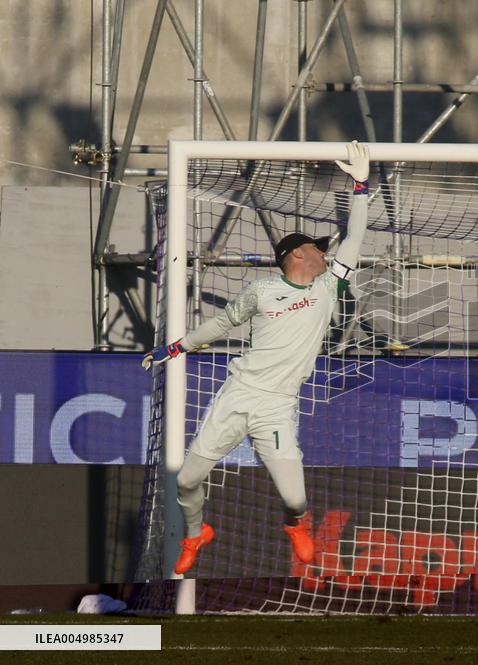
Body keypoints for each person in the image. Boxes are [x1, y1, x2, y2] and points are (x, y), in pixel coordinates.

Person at [142, 141, 371, 575]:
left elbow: (356, 237)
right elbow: (221, 324)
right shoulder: (261, 291)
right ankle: (195, 533)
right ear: (298, 254)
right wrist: (176, 347)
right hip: (237, 395)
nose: (327, 253)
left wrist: (360, 185)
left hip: (276, 406)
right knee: (187, 480)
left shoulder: (328, 288)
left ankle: (295, 525)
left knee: (296, 498)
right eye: (318, 248)